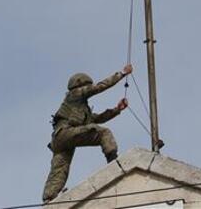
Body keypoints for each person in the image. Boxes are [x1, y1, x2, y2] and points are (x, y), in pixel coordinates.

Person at [42, 64, 133, 203]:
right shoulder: (75, 94)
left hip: (59, 139)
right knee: (103, 133)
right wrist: (121, 74)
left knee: (60, 168)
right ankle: (113, 160)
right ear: (80, 85)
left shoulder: (80, 107)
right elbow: (99, 87)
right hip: (66, 132)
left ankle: (49, 198)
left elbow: (97, 118)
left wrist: (117, 109)